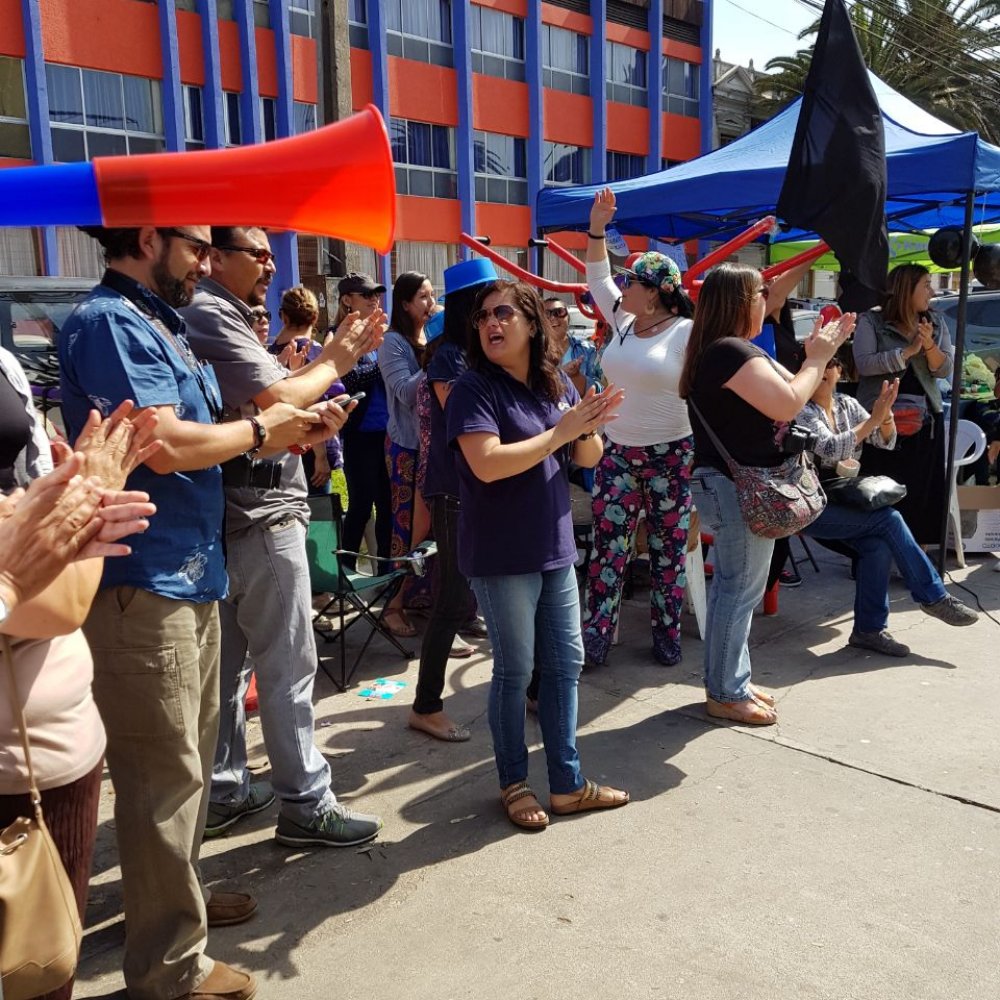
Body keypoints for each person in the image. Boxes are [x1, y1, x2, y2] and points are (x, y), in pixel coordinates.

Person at [59, 223, 326, 1000]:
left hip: (186, 571)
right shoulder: (112, 322)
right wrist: (258, 429)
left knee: (184, 774)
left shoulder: (157, 319)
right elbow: (166, 445)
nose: (210, 262)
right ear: (150, 236)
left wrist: (277, 436)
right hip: (146, 584)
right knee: (162, 778)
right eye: (199, 246)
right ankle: (170, 969)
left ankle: (181, 914)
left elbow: (208, 441)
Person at [181, 226, 384, 850]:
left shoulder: (228, 314)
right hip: (260, 511)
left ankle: (225, 789)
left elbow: (270, 412)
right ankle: (306, 802)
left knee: (229, 668)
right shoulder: (210, 314)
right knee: (289, 666)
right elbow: (276, 398)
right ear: (215, 256)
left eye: (272, 252)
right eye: (257, 252)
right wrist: (335, 362)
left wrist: (308, 412)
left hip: (241, 510)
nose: (271, 264)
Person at [0, 355, 158, 1000]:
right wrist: (83, 513)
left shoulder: (6, 362)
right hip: (18, 765)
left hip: (59, 755)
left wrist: (76, 514)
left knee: (46, 964)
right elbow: (59, 603)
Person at [447, 279, 629, 830]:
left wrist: (588, 425)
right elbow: (488, 463)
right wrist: (561, 433)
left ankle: (569, 785)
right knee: (516, 669)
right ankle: (513, 782)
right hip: (502, 552)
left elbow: (587, 453)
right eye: (482, 317)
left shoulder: (552, 384)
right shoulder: (473, 389)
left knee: (566, 663)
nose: (490, 323)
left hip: (554, 546)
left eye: (502, 312)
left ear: (530, 323)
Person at [680, 263, 855, 726]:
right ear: (740, 301)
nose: (768, 300)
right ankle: (724, 691)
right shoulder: (728, 352)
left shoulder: (724, 350)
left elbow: (788, 386)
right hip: (738, 486)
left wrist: (820, 350)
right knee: (738, 591)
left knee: (739, 590)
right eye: (761, 294)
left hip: (737, 486)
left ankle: (731, 680)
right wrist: (818, 358)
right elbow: (788, 401)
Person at [582, 188, 696, 668]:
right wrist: (596, 226)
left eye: (632, 282)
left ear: (654, 294)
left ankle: (666, 637)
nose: (622, 287)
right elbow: (595, 275)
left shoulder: (687, 333)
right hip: (618, 454)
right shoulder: (625, 321)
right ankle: (597, 639)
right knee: (608, 552)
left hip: (673, 456)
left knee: (668, 554)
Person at [797, 354, 978, 655]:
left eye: (829, 364)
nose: (822, 371)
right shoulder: (801, 410)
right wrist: (873, 418)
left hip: (842, 494)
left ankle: (869, 630)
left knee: (876, 546)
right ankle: (933, 596)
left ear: (839, 371)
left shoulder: (846, 404)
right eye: (815, 365)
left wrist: (887, 417)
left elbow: (885, 442)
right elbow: (830, 446)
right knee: (888, 519)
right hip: (808, 501)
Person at [408, 259, 497, 743]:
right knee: (453, 599)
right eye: (487, 304)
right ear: (471, 304)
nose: (495, 316)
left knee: (492, 593)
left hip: (482, 486)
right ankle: (425, 705)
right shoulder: (449, 358)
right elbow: (465, 416)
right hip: (454, 489)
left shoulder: (478, 354)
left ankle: (528, 689)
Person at [853, 264, 954, 545]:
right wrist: (907, 352)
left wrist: (929, 346)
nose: (931, 291)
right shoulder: (871, 321)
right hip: (881, 418)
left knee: (921, 489)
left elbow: (944, 370)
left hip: (925, 419)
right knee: (880, 486)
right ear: (906, 288)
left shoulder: (934, 320)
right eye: (925, 284)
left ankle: (914, 553)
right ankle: (873, 552)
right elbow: (864, 364)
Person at [378, 270, 435, 636]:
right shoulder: (393, 343)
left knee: (431, 528)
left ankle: (423, 598)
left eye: (432, 296)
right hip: (405, 447)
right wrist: (436, 359)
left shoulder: (429, 334)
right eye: (423, 298)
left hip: (433, 446)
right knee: (405, 528)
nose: (431, 304)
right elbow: (403, 392)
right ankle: (392, 605)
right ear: (405, 304)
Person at [336, 272, 393, 573]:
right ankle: (344, 576)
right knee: (361, 505)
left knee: (387, 505)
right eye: (366, 294)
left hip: (385, 433)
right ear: (347, 300)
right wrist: (383, 363)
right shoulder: (340, 337)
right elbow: (350, 381)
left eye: (376, 294)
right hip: (360, 436)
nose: (374, 299)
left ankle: (385, 574)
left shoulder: (375, 337)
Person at [269, 286, 344, 497]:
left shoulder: (271, 353)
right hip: (309, 447)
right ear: (315, 316)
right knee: (317, 515)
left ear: (283, 317)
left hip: (279, 444)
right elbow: (314, 403)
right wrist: (321, 455)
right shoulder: (315, 353)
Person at [542, 294, 602, 396]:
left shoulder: (587, 350)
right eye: (546, 314)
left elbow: (600, 390)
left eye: (559, 312)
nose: (552, 318)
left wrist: (577, 378)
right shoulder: (532, 352)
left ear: (568, 318)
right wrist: (562, 375)